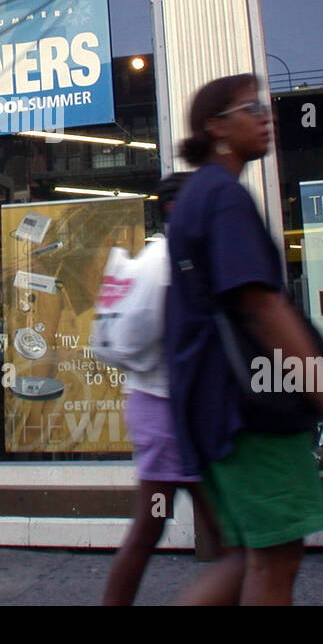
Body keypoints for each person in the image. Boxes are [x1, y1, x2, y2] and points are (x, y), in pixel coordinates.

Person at [165, 74, 323, 606]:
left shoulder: (195, 198)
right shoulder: (224, 197)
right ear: (216, 127)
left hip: (212, 411)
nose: (266, 116)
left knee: (249, 560)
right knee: (276, 558)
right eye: (251, 108)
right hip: (250, 411)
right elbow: (263, 307)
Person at [102, 171, 223, 606]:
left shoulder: (174, 257)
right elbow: (135, 338)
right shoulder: (165, 262)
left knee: (161, 526)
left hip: (168, 411)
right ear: (178, 209)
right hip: (166, 412)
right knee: (212, 531)